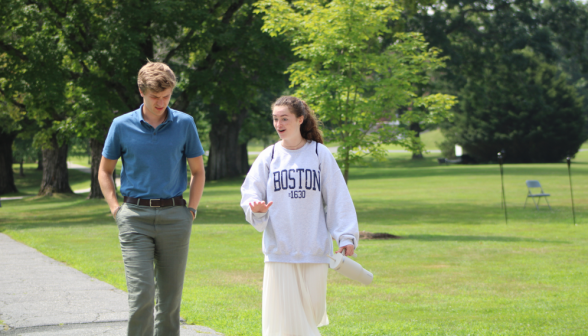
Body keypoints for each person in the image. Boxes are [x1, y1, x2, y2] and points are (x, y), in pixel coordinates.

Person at [98, 61, 205, 336]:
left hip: (175, 217)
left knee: (170, 302)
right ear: (141, 91)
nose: (161, 102)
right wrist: (115, 210)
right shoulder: (120, 125)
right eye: (155, 97)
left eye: (166, 96)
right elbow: (105, 171)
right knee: (141, 297)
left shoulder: (185, 123)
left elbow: (197, 171)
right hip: (134, 219)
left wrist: (190, 210)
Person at [240, 96, 359, 336]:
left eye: (284, 118)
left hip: (314, 249)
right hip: (279, 250)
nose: (278, 124)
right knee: (282, 321)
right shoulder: (269, 156)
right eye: (275, 119)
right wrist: (257, 210)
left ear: (300, 119)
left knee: (310, 315)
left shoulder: (319, 154)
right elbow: (250, 193)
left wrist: (346, 236)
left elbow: (337, 197)